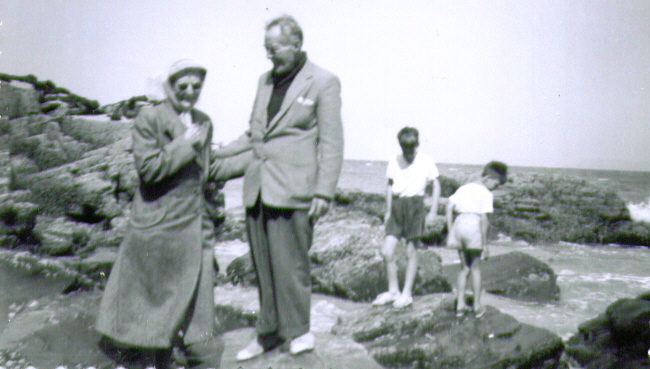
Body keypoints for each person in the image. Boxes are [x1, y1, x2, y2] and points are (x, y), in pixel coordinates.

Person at [95, 59, 250, 369]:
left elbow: (208, 170)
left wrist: (256, 159)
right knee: (153, 316)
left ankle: (198, 359)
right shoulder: (149, 117)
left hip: (197, 231)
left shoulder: (204, 121)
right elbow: (149, 170)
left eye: (196, 86)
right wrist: (185, 143)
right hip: (158, 229)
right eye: (183, 86)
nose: (190, 92)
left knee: (198, 316)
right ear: (169, 87)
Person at [219, 15, 344, 361]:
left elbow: (332, 143)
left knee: (293, 268)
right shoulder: (263, 81)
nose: (269, 56)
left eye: (274, 49)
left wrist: (324, 192)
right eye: (266, 50)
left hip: (295, 189)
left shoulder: (323, 81)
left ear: (295, 44)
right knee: (263, 267)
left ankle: (299, 332)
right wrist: (217, 155)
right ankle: (268, 333)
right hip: (258, 187)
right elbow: (253, 134)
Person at [372, 127, 440, 308]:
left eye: (411, 148)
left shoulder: (426, 160)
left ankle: (407, 294)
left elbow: (436, 184)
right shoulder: (395, 160)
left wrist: (433, 210)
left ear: (417, 145)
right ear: (401, 146)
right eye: (405, 149)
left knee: (411, 251)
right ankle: (393, 291)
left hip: (416, 206)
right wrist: (387, 211)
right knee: (387, 251)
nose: (408, 153)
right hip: (397, 206)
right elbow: (389, 185)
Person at [445, 161, 508, 318]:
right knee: (475, 268)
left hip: (459, 224)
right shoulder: (486, 193)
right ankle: (477, 306)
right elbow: (484, 219)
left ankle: (460, 305)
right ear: (488, 178)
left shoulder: (463, 188)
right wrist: (485, 244)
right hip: (473, 225)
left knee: (464, 268)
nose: (496, 187)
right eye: (497, 183)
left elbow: (448, 207)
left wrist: (450, 229)